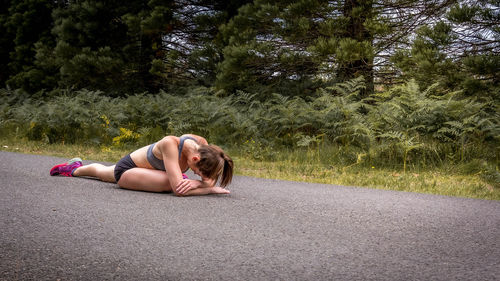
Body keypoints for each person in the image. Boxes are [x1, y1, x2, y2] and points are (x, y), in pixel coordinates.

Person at [49, 134, 233, 196]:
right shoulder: (171, 144)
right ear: (195, 160)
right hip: (128, 170)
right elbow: (179, 190)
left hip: (147, 172)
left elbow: (208, 179)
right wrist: (208, 189)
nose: (198, 176)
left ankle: (74, 167)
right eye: (197, 173)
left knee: (101, 171)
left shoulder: (203, 147)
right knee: (173, 183)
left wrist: (199, 184)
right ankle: (72, 169)